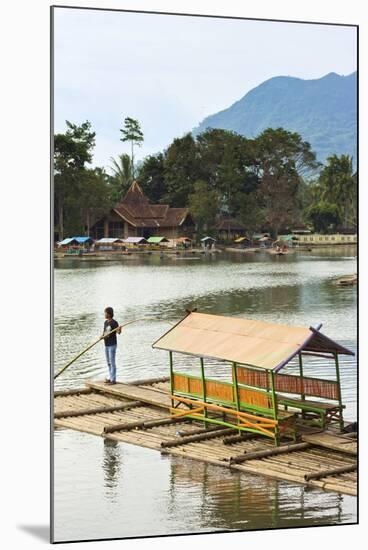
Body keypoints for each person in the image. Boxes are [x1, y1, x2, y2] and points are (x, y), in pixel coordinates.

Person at [102, 307, 121, 384]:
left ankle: (113, 380)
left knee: (112, 362)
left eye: (105, 313)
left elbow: (118, 332)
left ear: (109, 314)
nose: (104, 314)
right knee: (108, 362)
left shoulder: (114, 323)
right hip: (106, 345)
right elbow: (104, 333)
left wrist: (120, 329)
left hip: (112, 345)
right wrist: (102, 336)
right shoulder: (106, 322)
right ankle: (110, 377)